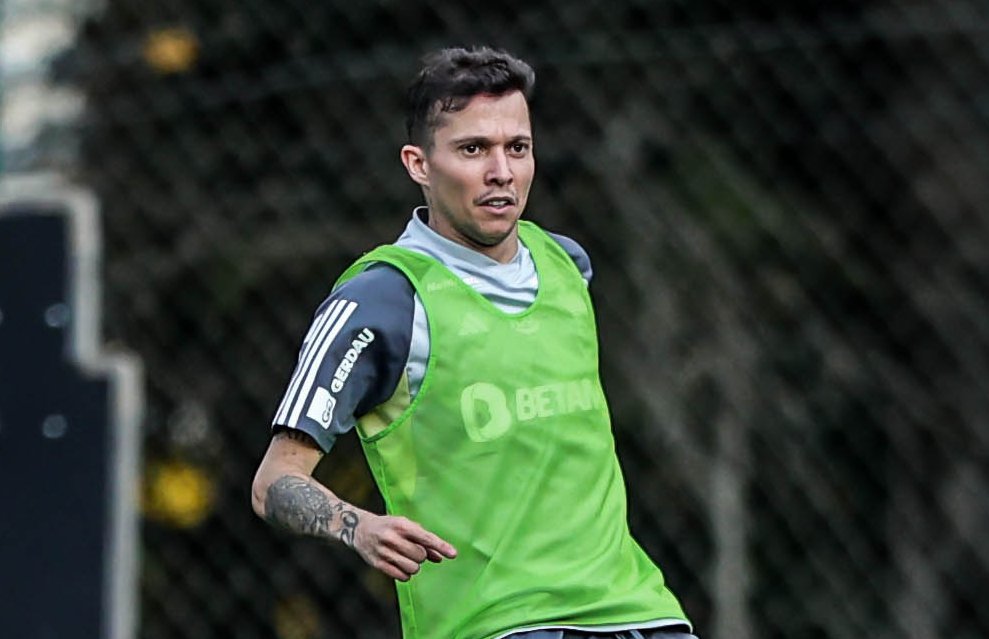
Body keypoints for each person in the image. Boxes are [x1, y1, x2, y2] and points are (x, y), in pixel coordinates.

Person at [252, 46, 698, 639]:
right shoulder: (380, 301)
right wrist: (358, 525)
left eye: (517, 147)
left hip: (641, 610)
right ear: (418, 163)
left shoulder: (569, 266)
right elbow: (273, 480)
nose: (502, 172)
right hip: (498, 624)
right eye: (473, 149)